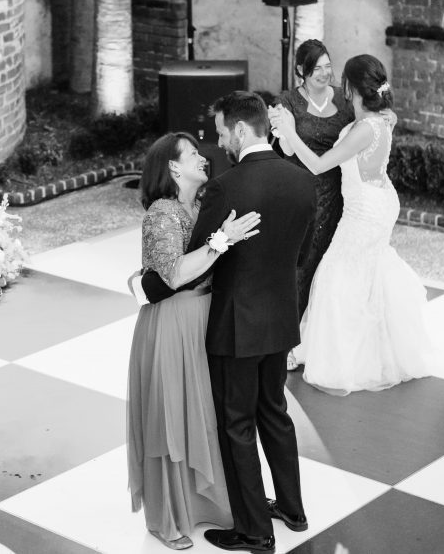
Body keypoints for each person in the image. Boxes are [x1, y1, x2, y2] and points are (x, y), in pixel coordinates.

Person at [140, 92, 315, 554]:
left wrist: (146, 285)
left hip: (236, 324)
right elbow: (301, 257)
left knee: (236, 424)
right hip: (280, 318)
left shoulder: (225, 188)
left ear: (239, 130)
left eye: (221, 133)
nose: (218, 144)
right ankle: (293, 510)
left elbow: (198, 260)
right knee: (274, 412)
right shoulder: (303, 181)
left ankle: (254, 531)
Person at [127, 132, 261, 550]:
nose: (204, 158)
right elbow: (172, 274)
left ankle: (206, 506)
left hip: (205, 317)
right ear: (172, 167)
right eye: (193, 154)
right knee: (171, 418)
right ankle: (166, 520)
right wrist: (222, 241)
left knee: (202, 412)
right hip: (172, 322)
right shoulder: (162, 213)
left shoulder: (202, 205)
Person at [269, 55, 432, 396]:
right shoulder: (378, 120)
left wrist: (290, 132)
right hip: (377, 200)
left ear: (350, 87)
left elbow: (318, 165)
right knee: (365, 272)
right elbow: (382, 122)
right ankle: (372, 347)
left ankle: (342, 357)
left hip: (365, 210)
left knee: (335, 274)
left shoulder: (365, 128)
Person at [272, 40, 354, 371]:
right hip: (299, 195)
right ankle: (288, 342)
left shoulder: (345, 100)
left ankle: (321, 341)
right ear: (300, 71)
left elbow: (366, 124)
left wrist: (386, 115)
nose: (324, 73)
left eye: (328, 66)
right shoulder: (287, 102)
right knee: (299, 267)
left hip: (337, 195)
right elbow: (288, 151)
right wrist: (286, 129)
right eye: (316, 68)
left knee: (328, 268)